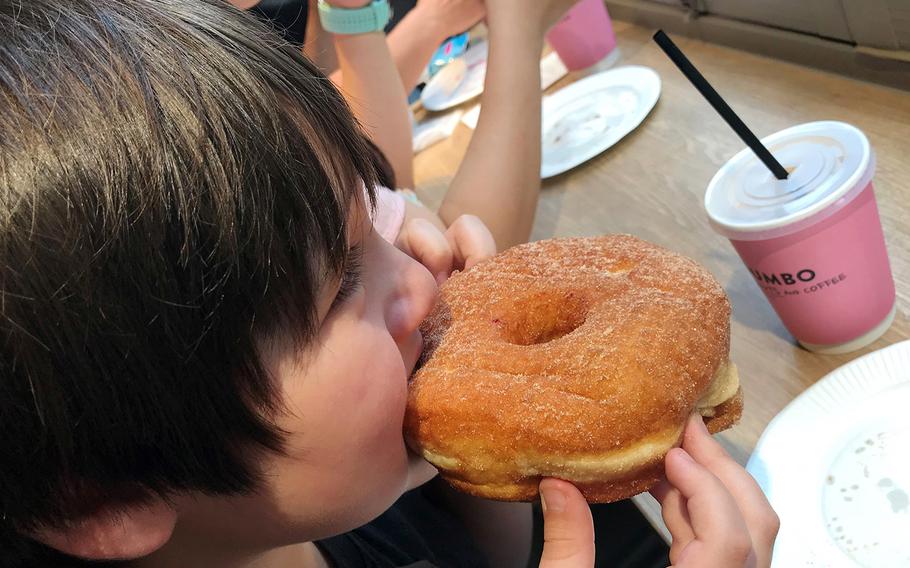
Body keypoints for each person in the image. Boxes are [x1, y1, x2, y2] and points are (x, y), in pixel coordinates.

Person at [0, 1, 778, 567]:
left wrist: (488, 440)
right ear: (102, 497)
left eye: (376, 224)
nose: (418, 277)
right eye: (341, 285)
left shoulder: (325, 496)